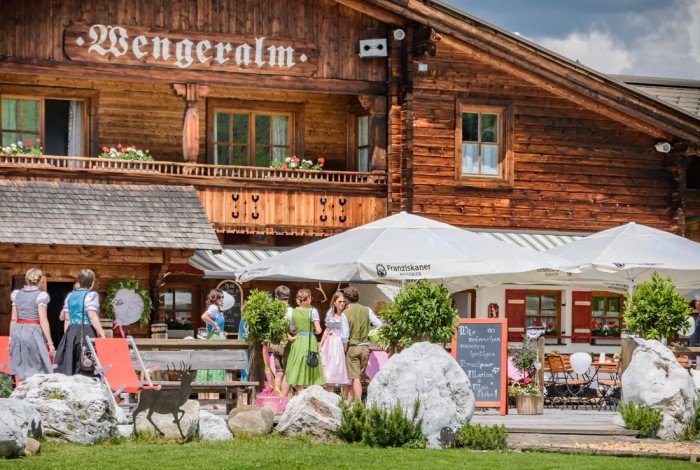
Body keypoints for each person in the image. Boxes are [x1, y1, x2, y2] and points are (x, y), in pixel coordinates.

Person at [54, 269, 106, 375]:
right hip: (85, 330)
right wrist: (102, 333)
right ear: (92, 282)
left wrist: (67, 336)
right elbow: (92, 315)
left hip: (71, 331)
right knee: (86, 361)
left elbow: (67, 318)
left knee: (71, 362)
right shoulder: (91, 295)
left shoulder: (70, 296)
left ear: (79, 281)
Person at [9, 268, 54, 381]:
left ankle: (20, 392)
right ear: (40, 281)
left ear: (26, 279)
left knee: (21, 364)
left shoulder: (16, 294)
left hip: (17, 331)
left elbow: (14, 319)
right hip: (33, 332)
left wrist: (11, 339)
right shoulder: (41, 296)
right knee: (37, 365)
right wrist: (50, 343)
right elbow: (43, 320)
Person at [343, 286, 383, 402]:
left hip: (353, 347)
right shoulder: (367, 310)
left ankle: (358, 404)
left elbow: (345, 336)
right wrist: (369, 332)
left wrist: (344, 350)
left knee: (355, 378)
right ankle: (348, 403)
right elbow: (378, 324)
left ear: (346, 299)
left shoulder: (346, 313)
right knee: (357, 378)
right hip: (365, 347)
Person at [284, 289, 325, 391]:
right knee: (311, 365)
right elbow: (319, 330)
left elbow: (292, 330)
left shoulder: (294, 312)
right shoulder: (312, 311)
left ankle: (299, 394)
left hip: (298, 341)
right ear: (309, 298)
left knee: (298, 367)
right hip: (309, 341)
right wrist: (312, 331)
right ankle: (310, 394)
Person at [319, 292, 350, 394]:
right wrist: (321, 344)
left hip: (339, 342)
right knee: (328, 369)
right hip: (329, 343)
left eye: (343, 302)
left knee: (339, 368)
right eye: (340, 301)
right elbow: (327, 329)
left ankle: (344, 400)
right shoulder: (330, 313)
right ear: (335, 302)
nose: (342, 304)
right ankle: (329, 395)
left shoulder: (346, 314)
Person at [196, 289, 227, 383]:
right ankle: (214, 383)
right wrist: (215, 324)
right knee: (216, 361)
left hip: (217, 337)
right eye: (219, 297)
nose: (222, 299)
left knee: (215, 361)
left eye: (222, 297)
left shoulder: (216, 308)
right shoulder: (213, 307)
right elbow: (204, 317)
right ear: (214, 298)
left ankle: (214, 384)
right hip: (215, 338)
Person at [270, 285, 293, 395]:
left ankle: (276, 398)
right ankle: (283, 399)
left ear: (276, 297)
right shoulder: (290, 311)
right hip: (286, 344)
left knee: (279, 373)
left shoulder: (272, 310)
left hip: (274, 344)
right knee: (288, 373)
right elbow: (293, 328)